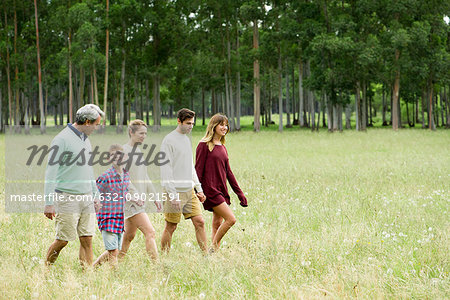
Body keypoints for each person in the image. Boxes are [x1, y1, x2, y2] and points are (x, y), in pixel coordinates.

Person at [44, 104, 104, 267]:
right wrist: (49, 202)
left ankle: (87, 276)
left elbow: (88, 170)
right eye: (96, 124)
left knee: (87, 239)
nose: (96, 128)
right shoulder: (61, 139)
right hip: (66, 197)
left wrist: (96, 195)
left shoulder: (86, 140)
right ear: (86, 122)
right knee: (62, 240)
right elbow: (51, 172)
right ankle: (45, 271)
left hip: (86, 198)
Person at [195, 113, 248, 252]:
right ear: (214, 126)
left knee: (217, 224)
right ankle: (212, 248)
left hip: (221, 189)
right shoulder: (204, 145)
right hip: (210, 190)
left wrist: (239, 193)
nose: (224, 127)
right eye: (221, 124)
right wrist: (197, 191)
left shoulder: (222, 146)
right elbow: (198, 170)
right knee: (231, 219)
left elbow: (228, 172)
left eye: (226, 125)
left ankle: (214, 256)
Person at [160, 108, 207, 253]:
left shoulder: (186, 139)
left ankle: (206, 256)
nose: (190, 126)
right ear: (179, 121)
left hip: (189, 190)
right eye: (188, 123)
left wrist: (198, 189)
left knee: (200, 222)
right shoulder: (169, 140)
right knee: (171, 226)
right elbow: (166, 170)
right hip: (174, 192)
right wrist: (173, 196)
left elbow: (190, 167)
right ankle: (164, 257)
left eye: (192, 123)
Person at [119, 120, 159, 260]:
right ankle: (157, 268)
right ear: (131, 132)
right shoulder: (124, 151)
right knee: (150, 232)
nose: (144, 136)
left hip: (138, 201)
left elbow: (145, 177)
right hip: (131, 201)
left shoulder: (138, 152)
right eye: (141, 133)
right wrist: (134, 196)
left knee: (128, 238)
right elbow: (122, 177)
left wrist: (155, 197)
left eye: (145, 134)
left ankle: (99, 266)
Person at [93, 144, 135, 267]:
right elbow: (95, 194)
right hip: (107, 218)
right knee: (113, 251)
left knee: (114, 249)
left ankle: (93, 267)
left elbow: (124, 193)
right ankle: (114, 278)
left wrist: (134, 198)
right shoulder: (105, 177)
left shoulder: (126, 175)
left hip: (119, 218)